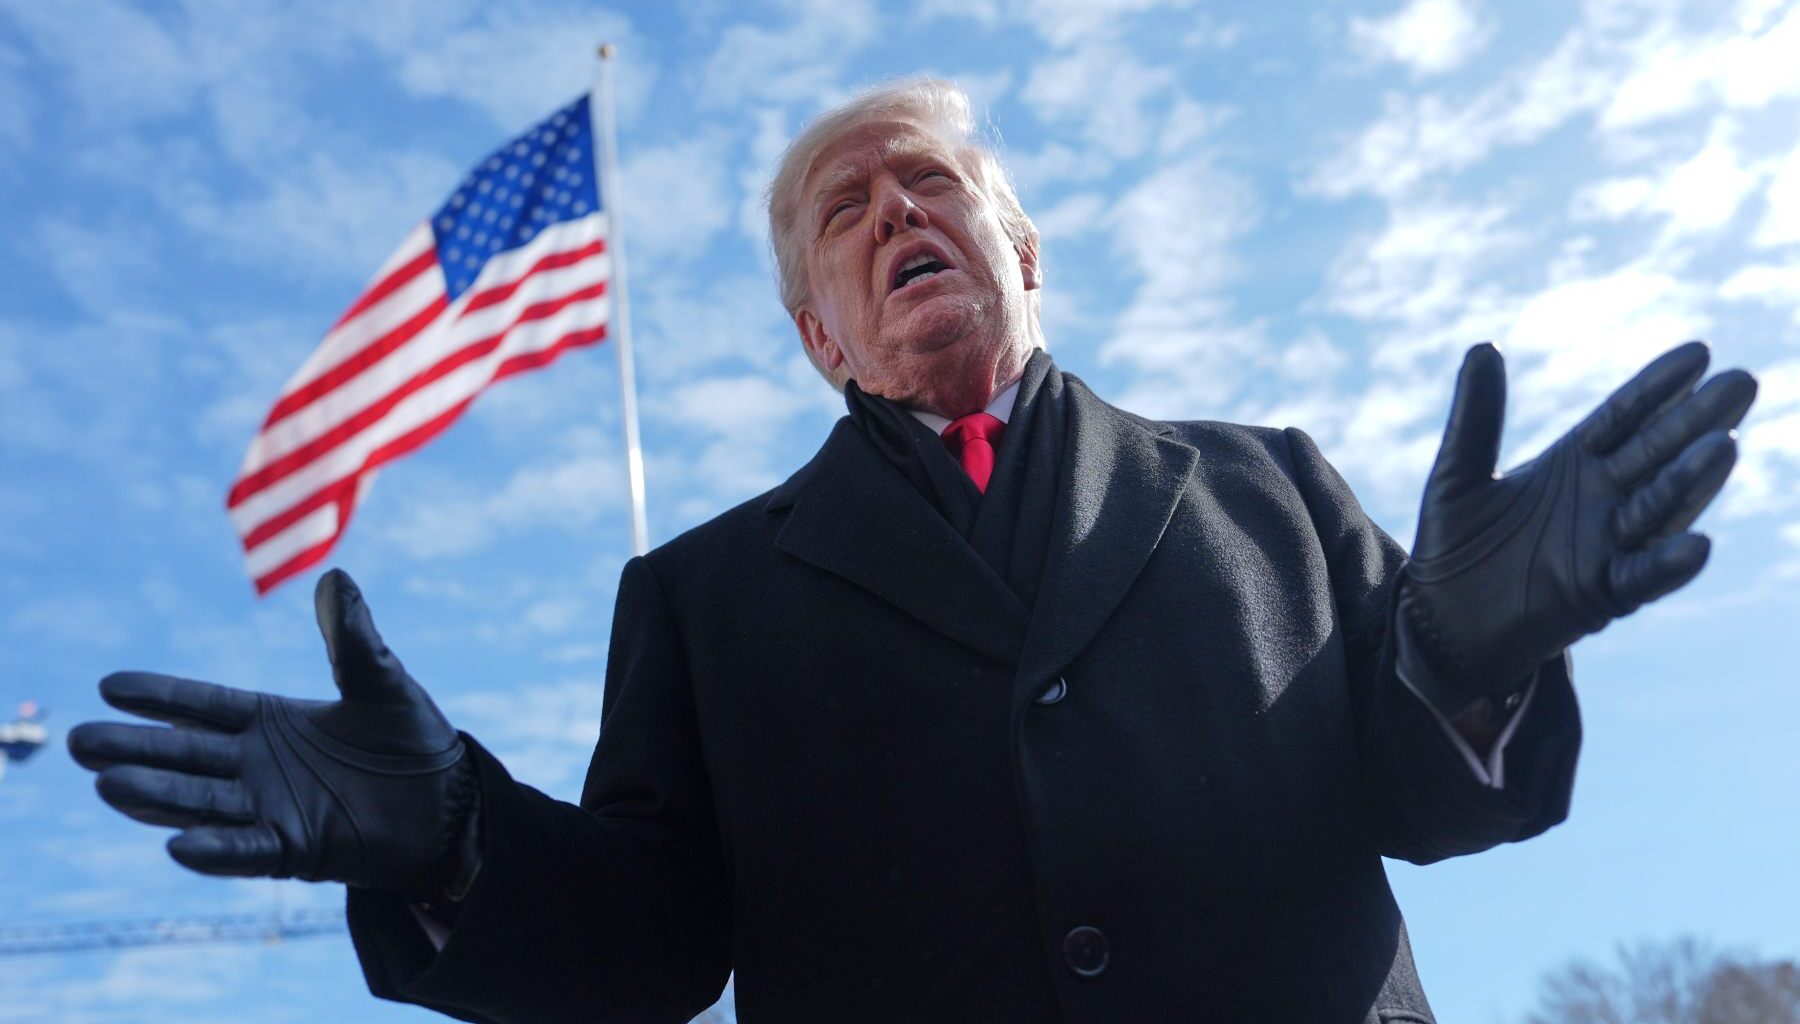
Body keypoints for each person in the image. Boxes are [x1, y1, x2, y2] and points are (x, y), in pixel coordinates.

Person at [69, 78, 1758, 1023]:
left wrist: (1461, 662)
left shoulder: (1272, 490)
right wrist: (455, 841)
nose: (894, 213)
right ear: (822, 336)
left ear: (1020, 248)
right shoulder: (702, 599)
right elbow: (652, 947)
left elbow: (1426, 798)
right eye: (844, 212)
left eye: (926, 181)